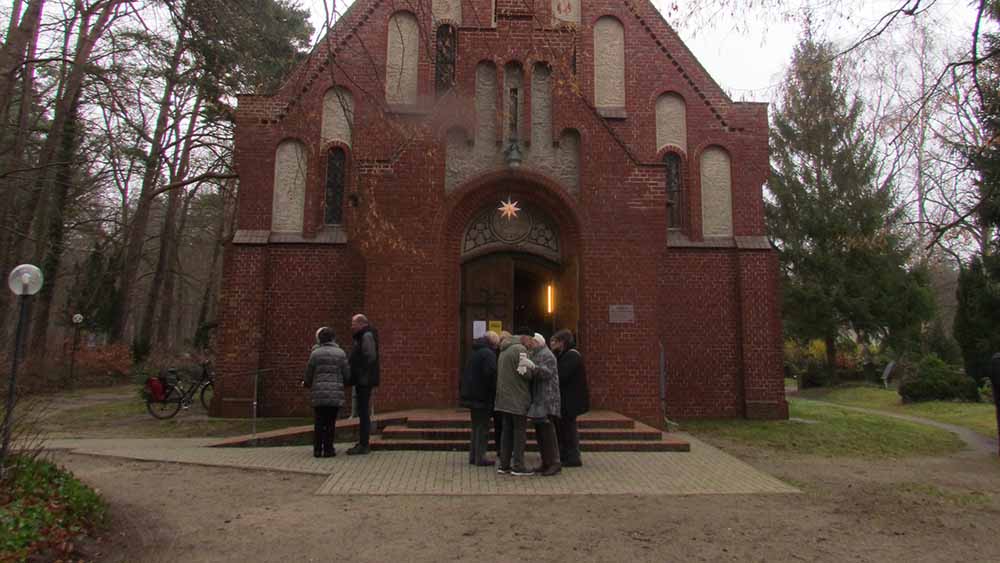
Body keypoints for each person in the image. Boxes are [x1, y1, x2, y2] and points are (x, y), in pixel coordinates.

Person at [303, 327, 350, 458]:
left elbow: (309, 372)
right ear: (333, 338)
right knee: (330, 423)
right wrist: (346, 383)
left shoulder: (315, 354)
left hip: (318, 392)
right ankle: (329, 449)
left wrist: (307, 383)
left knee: (318, 422)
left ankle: (317, 450)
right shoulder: (340, 353)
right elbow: (346, 373)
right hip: (335, 393)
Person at [520, 332, 561, 476]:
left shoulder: (547, 355)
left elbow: (547, 373)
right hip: (539, 400)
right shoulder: (537, 354)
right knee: (541, 433)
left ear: (539, 343)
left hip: (547, 400)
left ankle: (554, 463)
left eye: (533, 342)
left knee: (548, 434)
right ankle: (546, 462)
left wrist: (533, 367)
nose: (531, 344)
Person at [494, 332, 533, 475]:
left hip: (504, 399)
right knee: (519, 433)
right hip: (517, 397)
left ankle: (504, 465)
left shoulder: (503, 350)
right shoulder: (520, 350)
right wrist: (534, 368)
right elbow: (525, 373)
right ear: (525, 338)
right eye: (531, 340)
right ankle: (518, 465)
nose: (531, 345)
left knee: (507, 432)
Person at [551, 329, 589, 467]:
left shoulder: (572, 356)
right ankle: (566, 454)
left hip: (570, 400)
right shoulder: (564, 355)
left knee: (569, 429)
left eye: (555, 341)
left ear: (562, 342)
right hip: (566, 400)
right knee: (565, 428)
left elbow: (561, 376)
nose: (552, 344)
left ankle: (573, 457)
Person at [460, 331, 499, 465]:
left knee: (476, 427)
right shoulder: (488, 354)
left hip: (473, 396)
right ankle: (480, 458)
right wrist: (494, 391)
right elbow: (491, 374)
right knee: (483, 429)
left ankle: (473, 456)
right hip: (483, 397)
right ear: (493, 342)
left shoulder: (475, 352)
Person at [347, 314, 379, 455]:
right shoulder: (363, 335)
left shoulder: (366, 336)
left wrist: (359, 371)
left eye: (353, 323)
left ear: (361, 324)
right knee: (362, 411)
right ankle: (362, 442)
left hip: (364, 380)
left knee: (363, 412)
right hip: (363, 379)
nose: (351, 326)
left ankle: (364, 444)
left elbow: (370, 356)